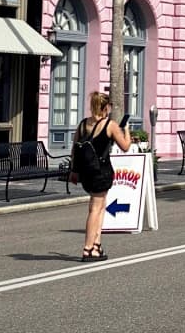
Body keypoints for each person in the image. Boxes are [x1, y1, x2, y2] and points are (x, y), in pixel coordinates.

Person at [70, 91, 131, 262]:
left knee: (101, 206)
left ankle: (97, 244)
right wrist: (125, 130)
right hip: (101, 172)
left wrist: (74, 171)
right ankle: (88, 248)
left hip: (86, 173)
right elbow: (125, 146)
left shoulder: (83, 125)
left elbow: (74, 149)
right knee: (95, 209)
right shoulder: (109, 125)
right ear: (105, 107)